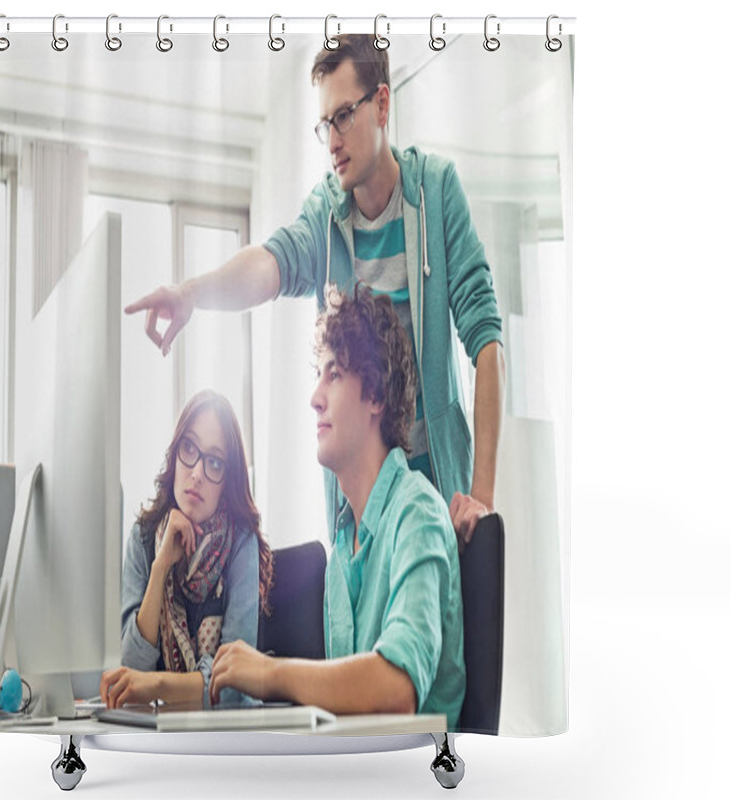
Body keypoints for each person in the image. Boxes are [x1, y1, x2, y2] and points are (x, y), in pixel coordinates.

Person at [125, 35, 505, 547]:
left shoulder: (435, 191)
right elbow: (268, 264)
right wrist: (194, 292)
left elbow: (486, 341)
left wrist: (481, 497)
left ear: (383, 104)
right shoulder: (325, 216)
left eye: (344, 115)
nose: (333, 140)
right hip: (361, 508)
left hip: (440, 491)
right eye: (325, 124)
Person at [209, 286, 465, 730]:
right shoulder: (342, 550)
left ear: (376, 397)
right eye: (319, 374)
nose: (314, 396)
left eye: (334, 374)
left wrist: (270, 674)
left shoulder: (418, 513)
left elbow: (397, 690)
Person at [100, 390, 273, 709]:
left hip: (230, 735)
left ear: (228, 479)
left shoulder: (240, 543)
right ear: (175, 452)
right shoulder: (143, 537)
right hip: (163, 731)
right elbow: (131, 668)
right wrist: (160, 567)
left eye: (215, 462)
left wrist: (157, 685)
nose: (196, 473)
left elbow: (234, 682)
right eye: (189, 448)